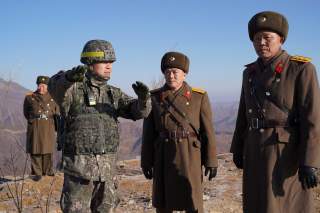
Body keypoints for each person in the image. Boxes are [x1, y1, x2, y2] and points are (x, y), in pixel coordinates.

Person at [231, 11, 320, 213]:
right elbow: (243, 112)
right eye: (256, 39)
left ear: (281, 39)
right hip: (254, 148)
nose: (261, 43)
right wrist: (237, 147)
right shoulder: (249, 72)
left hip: (285, 152)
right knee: (257, 203)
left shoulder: (301, 69)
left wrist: (310, 162)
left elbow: (312, 118)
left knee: (283, 204)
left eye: (267, 38)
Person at [48, 39, 151, 213]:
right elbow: (55, 88)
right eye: (104, 62)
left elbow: (138, 112)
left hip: (107, 174)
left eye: (111, 62)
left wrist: (143, 100)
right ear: (90, 63)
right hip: (79, 175)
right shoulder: (73, 89)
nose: (109, 66)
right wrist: (67, 79)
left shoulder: (113, 93)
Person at [141, 51, 218, 213]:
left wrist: (211, 160)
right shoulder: (154, 98)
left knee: (192, 201)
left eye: (175, 72)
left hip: (190, 155)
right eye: (167, 72)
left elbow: (208, 131)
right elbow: (148, 134)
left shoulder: (199, 97)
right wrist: (146, 161)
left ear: (185, 74)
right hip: (163, 154)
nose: (171, 76)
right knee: (163, 203)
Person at [23, 76, 59, 181]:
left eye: (43, 85)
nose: (40, 87)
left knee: (47, 149)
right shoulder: (30, 97)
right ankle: (36, 173)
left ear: (47, 86)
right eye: (39, 85)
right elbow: (26, 113)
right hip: (35, 125)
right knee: (35, 149)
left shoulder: (53, 98)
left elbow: (57, 113)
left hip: (49, 125)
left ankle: (47, 171)